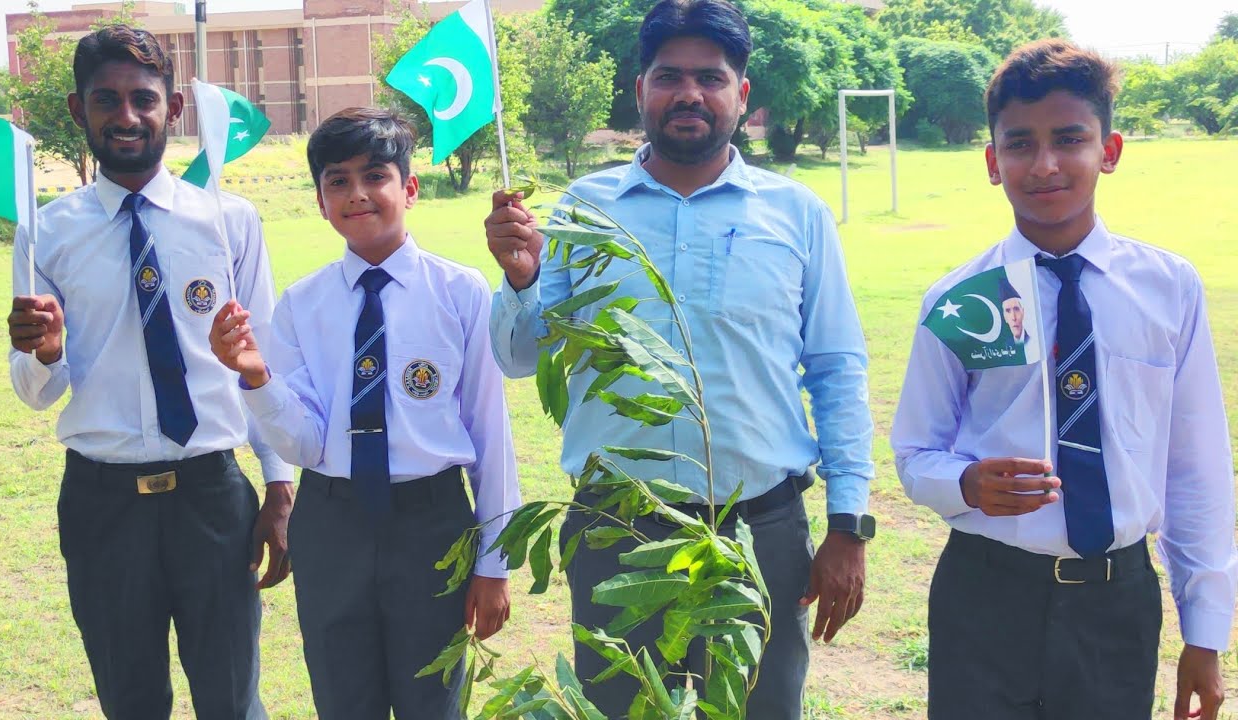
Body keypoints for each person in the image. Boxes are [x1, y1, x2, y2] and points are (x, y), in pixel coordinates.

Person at [484, 0, 875, 715]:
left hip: (760, 530)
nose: (689, 93)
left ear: (742, 95)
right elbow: (518, 357)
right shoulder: (583, 209)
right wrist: (521, 278)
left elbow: (837, 368)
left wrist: (849, 524)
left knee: (761, 708)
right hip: (619, 530)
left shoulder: (796, 213)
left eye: (711, 77)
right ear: (641, 91)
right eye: (668, 76)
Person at [891, 39, 1236, 720]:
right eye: (1019, 144)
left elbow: (1195, 468)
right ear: (993, 162)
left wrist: (1206, 632)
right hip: (984, 594)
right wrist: (963, 482)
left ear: (1109, 150)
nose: (1044, 164)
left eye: (1069, 139)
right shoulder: (964, 300)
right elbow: (913, 452)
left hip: (1115, 599)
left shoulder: (1167, 290)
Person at [4, 25, 292, 719]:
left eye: (144, 99)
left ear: (175, 108)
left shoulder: (230, 222)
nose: (126, 116)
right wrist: (42, 353)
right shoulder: (47, 232)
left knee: (231, 697)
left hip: (211, 495)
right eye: (107, 100)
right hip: (101, 505)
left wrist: (280, 487)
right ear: (80, 111)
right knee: (130, 702)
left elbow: (266, 364)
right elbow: (37, 393)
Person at [209, 108, 520, 720]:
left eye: (374, 175)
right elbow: (303, 443)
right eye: (337, 181)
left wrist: (493, 562)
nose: (357, 194)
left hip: (432, 523)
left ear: (408, 187)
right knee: (342, 698)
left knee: (433, 701)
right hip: (332, 522)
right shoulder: (302, 305)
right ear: (321, 202)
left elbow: (490, 433)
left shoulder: (459, 293)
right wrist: (256, 376)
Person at [999, 278, 1029, 345]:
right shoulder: (1006, 346)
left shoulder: (1033, 341)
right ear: (1005, 317)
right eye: (1008, 311)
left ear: (1023, 312)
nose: (1013, 317)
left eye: (1016, 309)